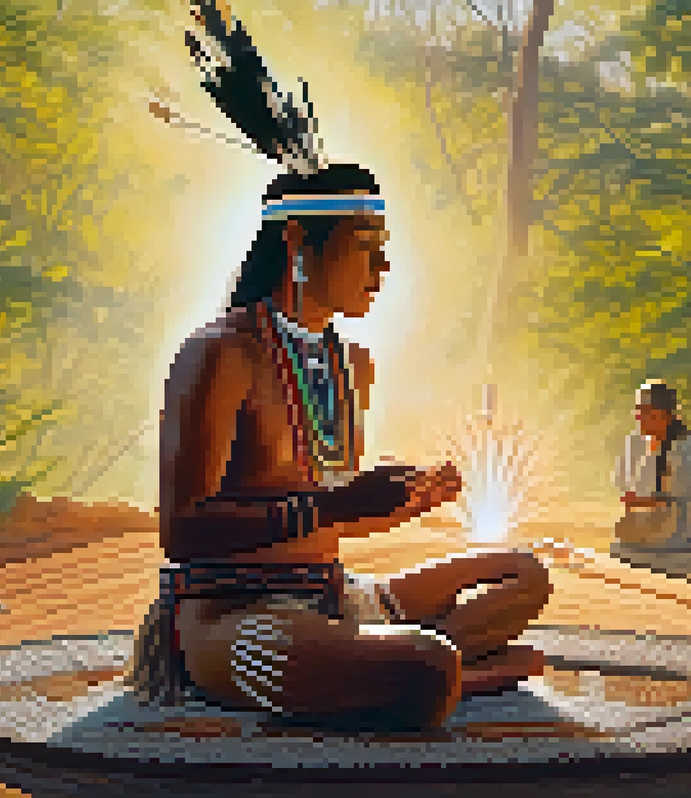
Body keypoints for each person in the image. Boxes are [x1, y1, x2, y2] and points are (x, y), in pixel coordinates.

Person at [126, 1, 551, 733]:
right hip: (238, 618)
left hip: (339, 596)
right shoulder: (220, 353)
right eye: (365, 247)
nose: (383, 269)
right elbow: (183, 531)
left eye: (386, 251)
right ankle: (439, 669)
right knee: (425, 667)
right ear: (299, 244)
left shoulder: (353, 363)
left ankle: (403, 665)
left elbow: (330, 502)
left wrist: (402, 499)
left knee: (523, 573)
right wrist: (337, 507)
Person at [610, 381, 691, 570]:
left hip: (687, 529)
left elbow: (674, 498)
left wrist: (638, 501)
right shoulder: (652, 443)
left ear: (663, 414)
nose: (638, 418)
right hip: (673, 522)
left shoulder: (682, 449)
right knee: (624, 528)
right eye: (638, 412)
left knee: (624, 529)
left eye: (644, 412)